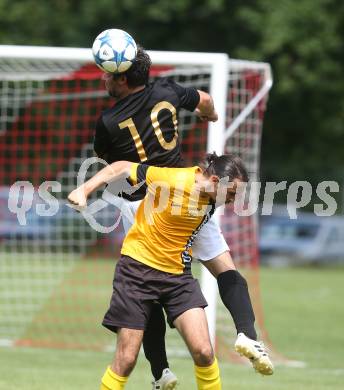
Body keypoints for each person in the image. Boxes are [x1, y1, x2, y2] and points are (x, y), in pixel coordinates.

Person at [93, 45, 273, 388]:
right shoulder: (166, 89)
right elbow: (205, 101)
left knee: (149, 283)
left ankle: (160, 370)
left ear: (120, 75)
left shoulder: (108, 122)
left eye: (107, 73)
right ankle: (247, 334)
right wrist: (210, 116)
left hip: (145, 202)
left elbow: (111, 165)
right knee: (226, 270)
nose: (103, 79)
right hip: (190, 196)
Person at [68, 152, 250, 390]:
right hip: (136, 273)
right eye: (233, 193)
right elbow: (122, 166)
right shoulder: (172, 180)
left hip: (177, 278)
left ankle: (161, 371)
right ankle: (159, 371)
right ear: (215, 182)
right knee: (126, 360)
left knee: (204, 352)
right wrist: (85, 189)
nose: (234, 200)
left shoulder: (211, 197)